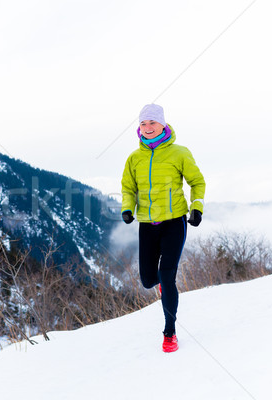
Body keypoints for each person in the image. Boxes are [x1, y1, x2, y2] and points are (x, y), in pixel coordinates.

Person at [121, 104, 205, 353]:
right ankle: (161, 283)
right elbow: (128, 187)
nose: (147, 128)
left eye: (152, 123)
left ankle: (170, 332)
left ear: (163, 125)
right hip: (147, 224)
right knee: (149, 279)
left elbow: (196, 182)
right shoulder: (134, 158)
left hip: (174, 223)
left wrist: (196, 207)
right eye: (143, 124)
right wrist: (127, 208)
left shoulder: (179, 153)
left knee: (167, 275)